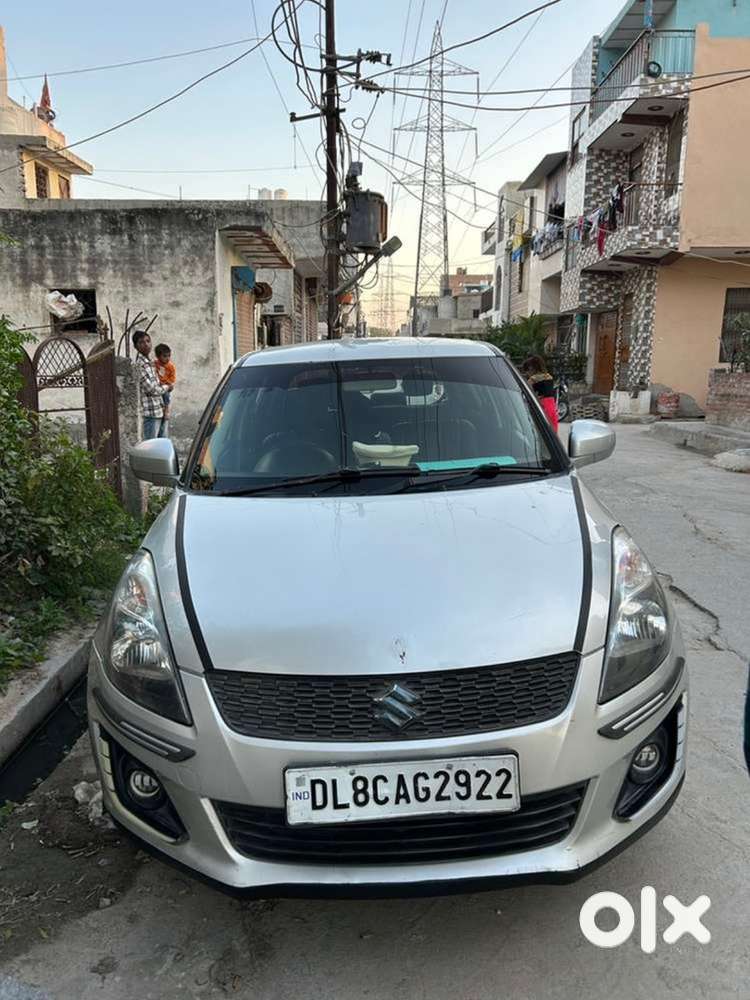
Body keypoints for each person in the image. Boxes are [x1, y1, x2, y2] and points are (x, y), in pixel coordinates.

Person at [133, 330, 167, 440]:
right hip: (151, 414)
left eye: (148, 341)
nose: (146, 344)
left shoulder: (151, 362)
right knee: (152, 448)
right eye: (141, 342)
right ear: (136, 346)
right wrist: (167, 387)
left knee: (162, 446)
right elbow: (151, 389)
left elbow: (157, 383)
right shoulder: (140, 365)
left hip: (160, 410)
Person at [521, 355, 559, 433]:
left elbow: (527, 395)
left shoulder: (532, 380)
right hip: (552, 408)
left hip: (542, 407)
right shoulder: (549, 377)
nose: (527, 374)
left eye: (527, 371)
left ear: (531, 368)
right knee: (552, 432)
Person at [153, 343, 176, 438]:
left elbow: (173, 378)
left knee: (166, 396)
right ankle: (162, 408)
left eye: (169, 356)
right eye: (165, 356)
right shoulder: (155, 364)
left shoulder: (170, 367)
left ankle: (166, 409)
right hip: (157, 385)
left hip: (166, 386)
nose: (167, 358)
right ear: (158, 357)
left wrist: (168, 384)